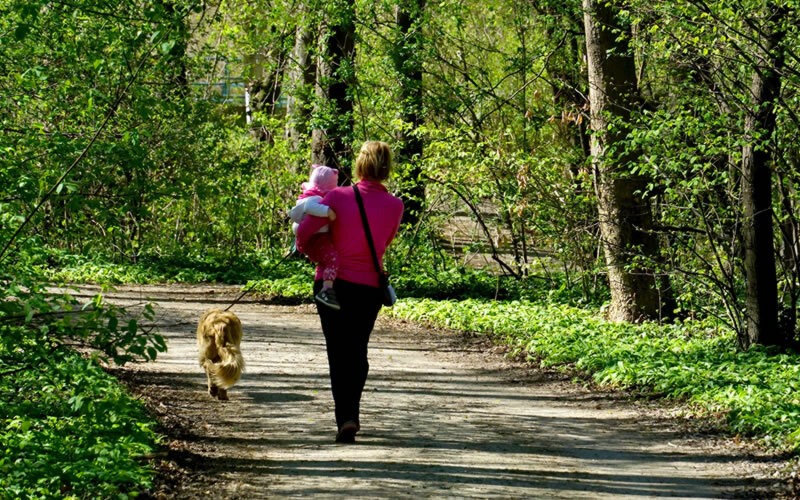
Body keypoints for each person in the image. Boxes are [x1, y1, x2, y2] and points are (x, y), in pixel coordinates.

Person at [296, 141, 404, 443]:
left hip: (333, 285)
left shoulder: (336, 197)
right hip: (369, 288)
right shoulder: (396, 206)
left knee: (337, 351)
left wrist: (316, 253)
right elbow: (385, 243)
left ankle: (345, 417)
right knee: (358, 350)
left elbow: (303, 233)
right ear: (386, 169)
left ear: (359, 165)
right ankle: (351, 413)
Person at [288, 164, 341, 310]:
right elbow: (310, 208)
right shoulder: (314, 198)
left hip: (314, 237)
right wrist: (328, 212)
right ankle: (326, 290)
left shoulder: (311, 196)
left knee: (326, 260)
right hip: (317, 238)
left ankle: (325, 287)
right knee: (333, 260)